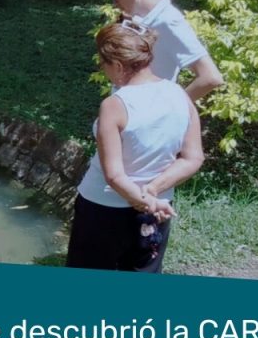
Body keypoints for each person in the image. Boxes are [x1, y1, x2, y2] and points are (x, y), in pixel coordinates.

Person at [66, 22, 204, 272]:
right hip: (158, 209)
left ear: (117, 65)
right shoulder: (179, 95)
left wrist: (145, 200)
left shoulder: (115, 104)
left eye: (103, 64)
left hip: (102, 209)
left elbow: (115, 175)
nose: (103, 70)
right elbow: (193, 158)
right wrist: (153, 192)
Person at [103, 0, 225, 102]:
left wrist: (168, 109)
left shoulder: (168, 21)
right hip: (124, 110)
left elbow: (211, 77)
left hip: (144, 118)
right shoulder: (141, 16)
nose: (115, 4)